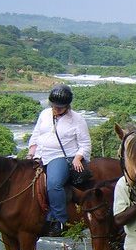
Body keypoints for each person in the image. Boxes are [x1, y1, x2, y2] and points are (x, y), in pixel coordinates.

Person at [27, 84, 91, 237]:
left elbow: (85, 143)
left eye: (60, 108)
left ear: (67, 106)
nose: (56, 110)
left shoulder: (77, 119)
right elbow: (36, 135)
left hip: (62, 156)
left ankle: (59, 220)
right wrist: (30, 152)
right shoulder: (44, 114)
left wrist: (78, 157)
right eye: (54, 106)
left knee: (54, 184)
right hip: (41, 154)